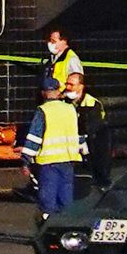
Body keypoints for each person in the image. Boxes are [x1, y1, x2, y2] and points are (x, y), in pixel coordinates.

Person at [33, 70, 90, 218]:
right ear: (58, 91)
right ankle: (67, 223)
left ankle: (49, 224)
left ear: (43, 93)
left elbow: (34, 136)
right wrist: (85, 153)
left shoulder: (43, 110)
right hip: (68, 160)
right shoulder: (70, 109)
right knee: (66, 197)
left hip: (49, 162)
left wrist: (26, 158)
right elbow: (78, 133)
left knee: (48, 198)